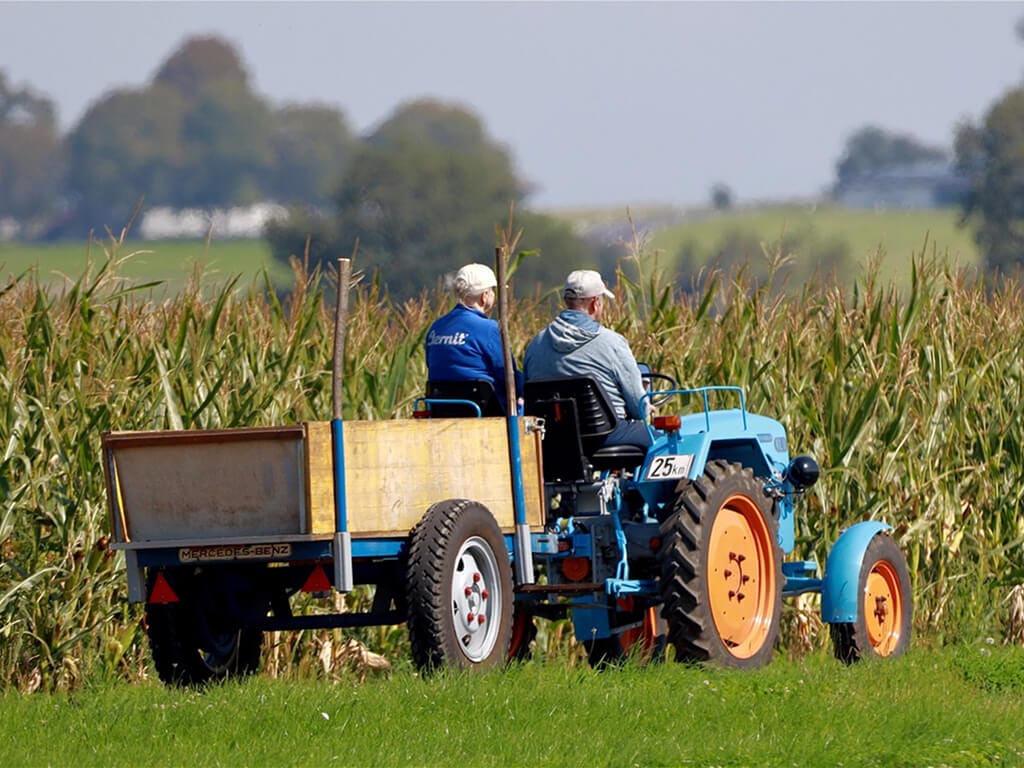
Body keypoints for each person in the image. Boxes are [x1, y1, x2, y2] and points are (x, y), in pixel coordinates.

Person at [523, 269, 651, 448]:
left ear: (566, 301)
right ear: (595, 303)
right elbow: (639, 408)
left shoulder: (536, 344)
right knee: (663, 442)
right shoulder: (612, 342)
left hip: (555, 439)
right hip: (606, 435)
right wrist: (646, 408)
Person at [425, 262, 521, 414]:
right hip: (484, 411)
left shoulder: (436, 327)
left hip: (441, 410)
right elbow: (509, 376)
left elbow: (431, 365)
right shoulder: (489, 328)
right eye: (492, 291)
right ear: (484, 297)